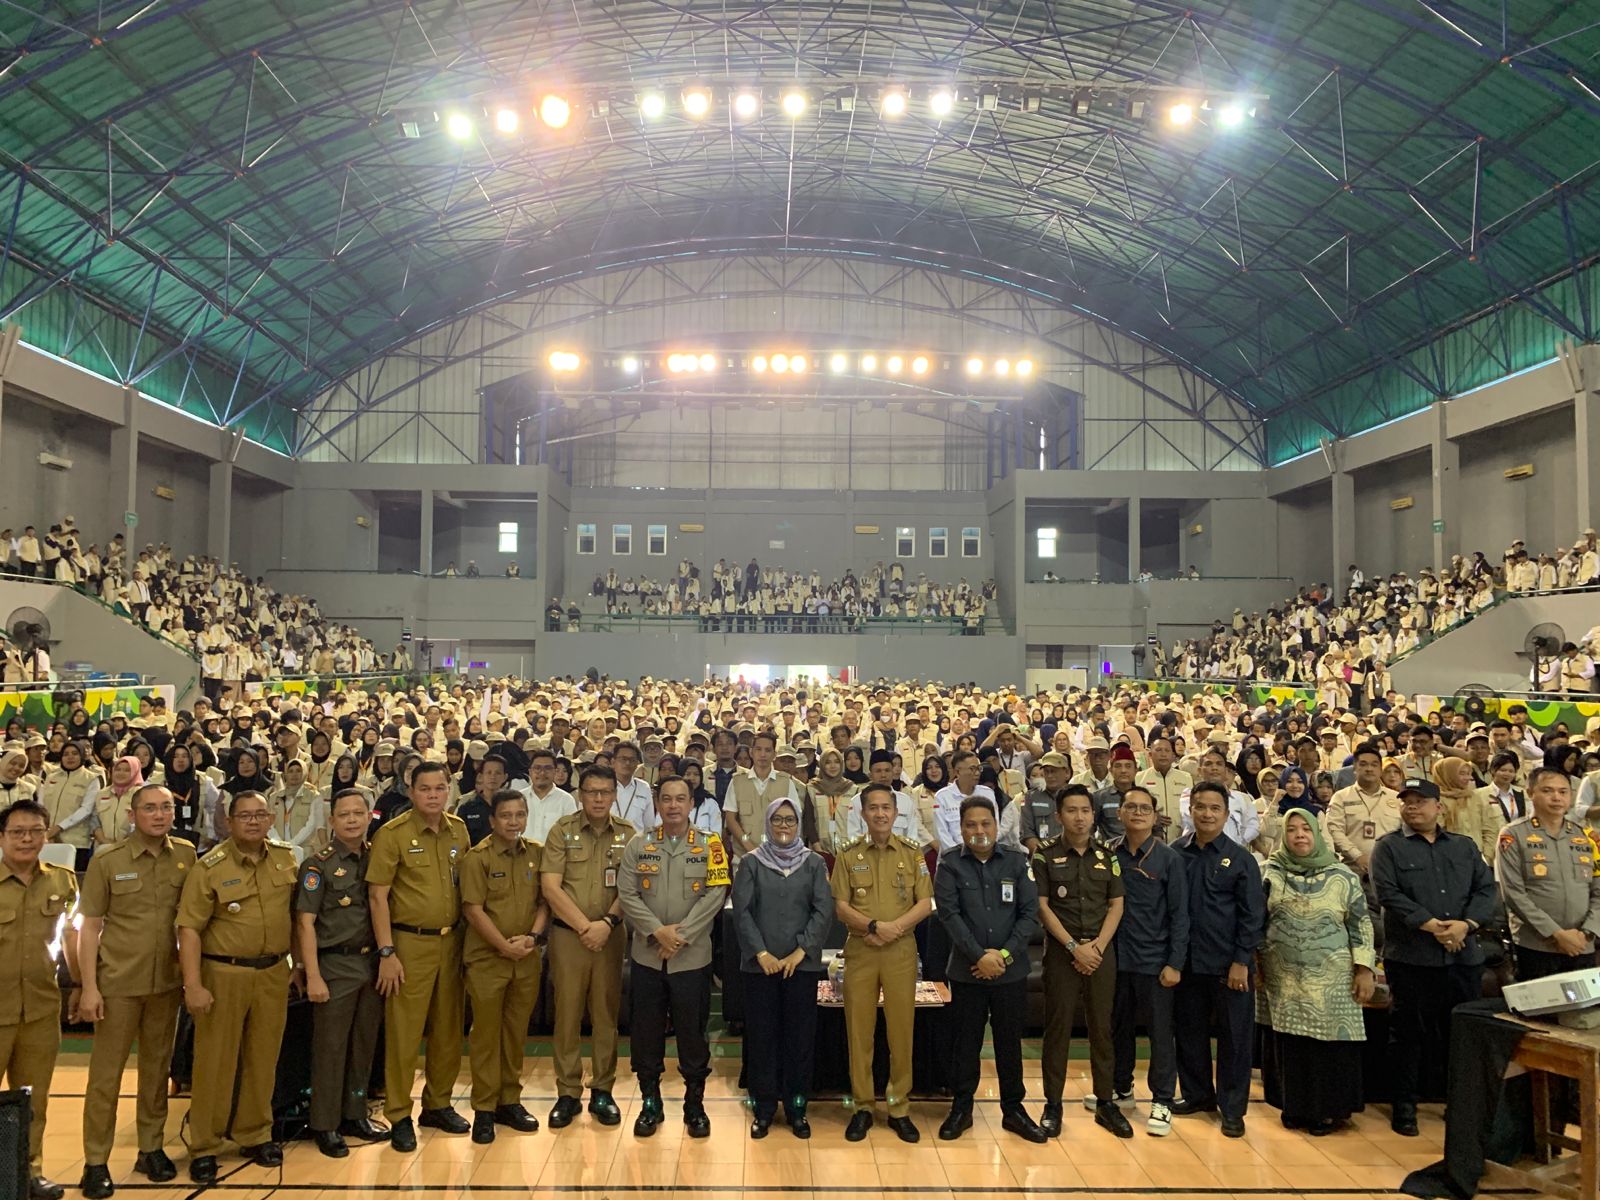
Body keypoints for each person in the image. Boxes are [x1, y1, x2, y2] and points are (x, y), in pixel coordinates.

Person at [76, 784, 194, 1198]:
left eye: (165, 808)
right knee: (105, 1079)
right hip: (117, 985)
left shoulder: (185, 855)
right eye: (149, 809)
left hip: (165, 983)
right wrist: (88, 987)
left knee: (156, 1072)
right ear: (132, 814)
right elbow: (89, 927)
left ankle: (151, 1147)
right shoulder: (107, 861)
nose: (159, 815)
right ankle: (95, 1160)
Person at [176, 788, 296, 1184]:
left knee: (263, 1058)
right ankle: (205, 1144)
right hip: (222, 974)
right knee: (215, 1062)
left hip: (273, 974)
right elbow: (189, 929)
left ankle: (254, 1133)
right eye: (245, 816)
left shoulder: (285, 859)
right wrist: (192, 984)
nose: (254, 822)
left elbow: (294, 918)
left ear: (271, 819)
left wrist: (296, 966)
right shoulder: (209, 866)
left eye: (260, 815)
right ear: (229, 821)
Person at [1371, 777, 1498, 1137]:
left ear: (1438, 807)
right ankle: (1405, 1107)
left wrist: (1465, 925)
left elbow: (1485, 889)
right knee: (1407, 1034)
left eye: (1421, 801)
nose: (1413, 807)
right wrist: (1432, 926)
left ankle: (1461, 1106)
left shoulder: (1463, 847)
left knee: (1462, 1037)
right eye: (1407, 801)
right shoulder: (1389, 848)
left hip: (1463, 957)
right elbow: (1388, 894)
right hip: (1412, 958)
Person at [367, 761, 473, 1151]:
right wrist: (387, 951)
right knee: (404, 1033)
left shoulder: (458, 830)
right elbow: (377, 896)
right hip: (408, 944)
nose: (433, 795)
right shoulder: (392, 834)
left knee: (448, 1029)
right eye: (425, 788)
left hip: (453, 942)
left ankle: (438, 1103)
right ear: (411, 791)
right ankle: (398, 1113)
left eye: (439, 788)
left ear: (449, 790)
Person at [618, 775, 730, 1138]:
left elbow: (716, 893)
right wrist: (656, 931)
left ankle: (694, 1105)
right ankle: (651, 1104)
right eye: (666, 799)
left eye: (680, 799)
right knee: (646, 1033)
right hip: (648, 956)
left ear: (691, 802)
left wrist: (678, 936)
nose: (673, 806)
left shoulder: (711, 845)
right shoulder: (640, 843)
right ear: (657, 803)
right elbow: (627, 893)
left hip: (691, 956)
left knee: (692, 1033)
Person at [1257, 809, 1375, 1135]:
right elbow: (1255, 921)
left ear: (1317, 834)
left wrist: (1364, 969)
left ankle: (1329, 1111)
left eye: (1305, 829)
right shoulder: (1269, 873)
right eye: (1292, 830)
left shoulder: (1342, 876)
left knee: (1329, 1046)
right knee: (1292, 1044)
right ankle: (1293, 1108)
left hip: (1333, 979)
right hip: (1283, 976)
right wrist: (1254, 962)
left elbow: (1360, 924)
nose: (1299, 835)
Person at [936, 796, 1047, 1143]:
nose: (979, 831)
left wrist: (1001, 956)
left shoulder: (1016, 861)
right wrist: (978, 956)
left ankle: (1013, 1110)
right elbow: (949, 916)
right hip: (967, 972)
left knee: (1008, 1043)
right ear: (962, 828)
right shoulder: (950, 864)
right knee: (965, 1044)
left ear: (997, 827)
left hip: (1009, 971)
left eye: (986, 824)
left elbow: (1028, 913)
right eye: (971, 825)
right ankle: (962, 1108)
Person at [831, 782, 933, 1143]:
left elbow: (925, 902)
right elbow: (841, 906)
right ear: (862, 814)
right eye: (872, 808)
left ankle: (898, 1106)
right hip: (860, 949)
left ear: (895, 812)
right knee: (859, 1032)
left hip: (900, 951)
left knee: (900, 1031)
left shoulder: (912, 852)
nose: (879, 813)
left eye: (885, 807)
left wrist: (894, 929)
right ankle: (862, 1106)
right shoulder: (847, 854)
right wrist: (873, 926)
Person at [294, 788, 389, 1158]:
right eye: (343, 815)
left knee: (363, 1045)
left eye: (358, 813)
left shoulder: (377, 859)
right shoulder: (317, 865)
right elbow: (304, 923)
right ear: (331, 821)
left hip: (370, 963)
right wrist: (311, 974)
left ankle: (355, 1113)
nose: (351, 820)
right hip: (334, 964)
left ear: (369, 817)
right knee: (330, 1049)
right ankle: (325, 1123)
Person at [731, 796, 833, 1139]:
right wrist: (761, 953)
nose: (785, 826)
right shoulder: (751, 863)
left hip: (800, 968)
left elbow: (823, 911)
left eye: (791, 820)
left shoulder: (814, 863)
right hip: (761, 969)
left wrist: (800, 952)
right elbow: (742, 912)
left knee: (799, 1040)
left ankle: (797, 1109)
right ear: (768, 823)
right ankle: (763, 1109)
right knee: (762, 1039)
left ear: (799, 824)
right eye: (778, 820)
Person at [1031, 785, 1129, 1138]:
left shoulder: (1108, 855)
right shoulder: (1043, 855)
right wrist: (1075, 947)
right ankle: (1052, 1105)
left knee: (1103, 1029)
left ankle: (1106, 1103)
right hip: (1062, 953)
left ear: (1093, 813)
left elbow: (1116, 904)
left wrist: (1098, 947)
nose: (1079, 817)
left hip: (1100, 953)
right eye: (1071, 810)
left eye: (1085, 810)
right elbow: (1042, 907)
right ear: (1058, 816)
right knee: (1057, 1029)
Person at [539, 764, 633, 1129]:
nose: (598, 798)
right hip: (568, 937)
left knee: (606, 1013)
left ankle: (603, 1090)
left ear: (614, 795)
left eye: (605, 792)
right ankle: (567, 1092)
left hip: (611, 935)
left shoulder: (628, 834)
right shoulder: (562, 831)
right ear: (580, 794)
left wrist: (606, 923)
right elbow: (550, 887)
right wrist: (585, 927)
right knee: (567, 1013)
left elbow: (633, 885)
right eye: (591, 791)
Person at [1171, 781, 1265, 1139]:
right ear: (1190, 810)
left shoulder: (1241, 858)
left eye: (1214, 808)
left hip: (1230, 967)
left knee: (1235, 1039)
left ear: (1226, 814)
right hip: (1188, 963)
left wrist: (1242, 960)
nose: (1207, 814)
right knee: (1189, 1032)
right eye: (1200, 807)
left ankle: (1232, 1108)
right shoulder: (1176, 852)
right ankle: (1197, 1096)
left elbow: (1252, 915)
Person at [0, 799, 79, 1200]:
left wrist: (81, 984)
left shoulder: (63, 882)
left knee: (34, 1102)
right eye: (17, 832)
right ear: (2, 838)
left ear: (46, 835)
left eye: (35, 831)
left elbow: (70, 939)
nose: (27, 839)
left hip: (40, 1010)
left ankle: (28, 1174)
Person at [460, 790, 548, 1143]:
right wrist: (503, 946)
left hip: (525, 958)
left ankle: (509, 1100)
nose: (513, 822)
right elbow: (472, 909)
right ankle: (483, 1107)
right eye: (506, 816)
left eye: (519, 815)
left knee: (515, 1033)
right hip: (487, 960)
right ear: (493, 820)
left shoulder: (536, 854)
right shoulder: (476, 858)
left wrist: (532, 938)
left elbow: (545, 902)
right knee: (485, 1035)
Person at [1108, 787, 1189, 1137]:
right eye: (1131, 807)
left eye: (1145, 808)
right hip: (1115, 959)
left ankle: (1162, 1100)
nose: (1137, 813)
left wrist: (1175, 962)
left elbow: (1180, 916)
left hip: (1155, 961)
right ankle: (1121, 1089)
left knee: (1159, 1033)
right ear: (1120, 813)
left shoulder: (1169, 858)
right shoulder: (1109, 852)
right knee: (1118, 1028)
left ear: (1155, 817)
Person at [1496, 767, 1600, 980]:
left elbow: (1598, 890)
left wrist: (1587, 932)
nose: (1556, 797)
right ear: (1530, 792)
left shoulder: (1585, 836)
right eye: (1547, 790)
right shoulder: (1513, 835)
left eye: (1563, 792)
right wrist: (1557, 934)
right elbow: (1513, 894)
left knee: (1584, 1013)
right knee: (1541, 1012)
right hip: (1537, 945)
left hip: (1583, 943)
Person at [1324, 743, 1399, 881]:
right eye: (1363, 764)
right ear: (1354, 769)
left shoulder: (1396, 798)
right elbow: (1334, 830)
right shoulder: (1341, 797)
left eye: (1374, 764)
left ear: (1381, 769)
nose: (1369, 769)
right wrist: (1357, 855)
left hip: (1391, 870)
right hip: (1353, 871)